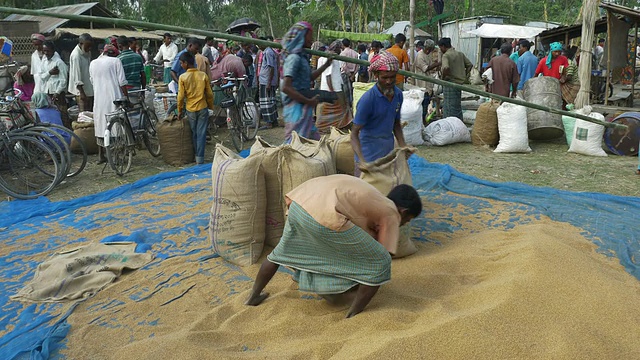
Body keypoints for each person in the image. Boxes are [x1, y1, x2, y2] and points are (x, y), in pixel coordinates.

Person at [245, 175, 423, 318]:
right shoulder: (392, 212)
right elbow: (385, 253)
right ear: (404, 211)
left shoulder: (373, 197)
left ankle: (253, 296)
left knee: (280, 253)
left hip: (299, 204)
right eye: (407, 220)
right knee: (380, 262)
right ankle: (354, 313)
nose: (404, 223)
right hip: (323, 214)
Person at [351, 51, 408, 176]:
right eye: (384, 78)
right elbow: (354, 133)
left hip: (387, 155)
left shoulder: (398, 95)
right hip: (368, 156)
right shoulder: (368, 100)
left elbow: (396, 123)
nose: (388, 81)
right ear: (376, 75)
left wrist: (403, 146)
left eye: (392, 77)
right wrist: (361, 161)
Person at [280, 21, 333, 142]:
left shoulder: (302, 57)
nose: (312, 39)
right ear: (302, 36)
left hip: (303, 103)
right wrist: (308, 101)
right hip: (295, 108)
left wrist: (326, 65)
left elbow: (309, 78)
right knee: (295, 142)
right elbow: (286, 87)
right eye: (310, 35)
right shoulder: (294, 58)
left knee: (309, 139)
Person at [90, 44, 128, 164]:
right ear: (114, 53)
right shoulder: (116, 61)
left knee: (101, 125)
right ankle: (116, 156)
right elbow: (122, 82)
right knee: (117, 127)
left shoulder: (93, 63)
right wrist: (126, 97)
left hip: (99, 99)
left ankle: (101, 155)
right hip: (114, 97)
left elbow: (92, 81)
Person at [176, 52, 214, 165]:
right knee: (201, 133)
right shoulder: (203, 75)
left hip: (190, 109)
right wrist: (210, 107)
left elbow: (181, 96)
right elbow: (209, 94)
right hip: (203, 107)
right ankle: (200, 158)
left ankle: (196, 156)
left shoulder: (182, 77)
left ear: (186, 63)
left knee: (194, 133)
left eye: (181, 63)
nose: (181, 65)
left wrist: (179, 110)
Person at [315, 40, 352, 134]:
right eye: (340, 48)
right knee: (343, 108)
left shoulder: (324, 57)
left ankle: (330, 126)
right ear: (337, 48)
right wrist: (332, 91)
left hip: (326, 87)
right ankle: (341, 125)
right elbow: (328, 75)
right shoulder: (332, 58)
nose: (341, 50)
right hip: (334, 88)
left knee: (327, 109)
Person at [438, 37, 472, 120]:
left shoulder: (446, 55)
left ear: (443, 46)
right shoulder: (460, 54)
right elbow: (469, 65)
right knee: (457, 106)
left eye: (440, 48)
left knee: (449, 107)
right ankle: (459, 123)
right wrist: (465, 76)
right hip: (459, 84)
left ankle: (450, 125)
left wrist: (443, 78)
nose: (440, 50)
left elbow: (446, 68)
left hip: (450, 83)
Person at [37, 41, 69, 128]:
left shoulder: (59, 62)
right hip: (48, 93)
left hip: (58, 94)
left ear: (53, 50)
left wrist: (57, 92)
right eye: (44, 51)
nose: (46, 53)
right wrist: (49, 73)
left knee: (62, 115)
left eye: (48, 51)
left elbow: (63, 80)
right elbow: (42, 77)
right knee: (53, 116)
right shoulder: (44, 62)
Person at [68, 33, 94, 112]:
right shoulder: (76, 56)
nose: (89, 48)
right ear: (81, 43)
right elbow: (77, 78)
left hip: (89, 89)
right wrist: (82, 94)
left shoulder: (86, 52)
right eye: (88, 46)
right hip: (82, 92)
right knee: (84, 116)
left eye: (90, 46)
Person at [415, 39, 440, 118]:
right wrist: (437, 64)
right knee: (423, 103)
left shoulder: (428, 55)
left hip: (428, 81)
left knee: (427, 101)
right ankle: (422, 119)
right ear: (428, 49)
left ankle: (424, 118)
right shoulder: (420, 55)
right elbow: (425, 68)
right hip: (422, 82)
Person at [258, 38, 279, 129]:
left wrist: (268, 83)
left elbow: (271, 68)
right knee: (270, 101)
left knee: (267, 102)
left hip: (266, 81)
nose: (258, 47)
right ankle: (274, 121)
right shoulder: (268, 52)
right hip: (266, 80)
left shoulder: (268, 52)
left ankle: (269, 122)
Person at [340, 38, 359, 106]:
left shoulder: (343, 53)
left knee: (346, 91)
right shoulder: (355, 53)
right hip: (352, 73)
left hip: (345, 74)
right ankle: (352, 104)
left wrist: (349, 75)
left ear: (342, 45)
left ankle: (347, 105)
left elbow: (344, 66)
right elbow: (357, 65)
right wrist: (353, 75)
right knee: (352, 90)